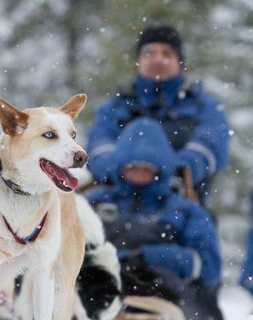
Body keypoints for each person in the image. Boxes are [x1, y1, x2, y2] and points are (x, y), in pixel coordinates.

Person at [86, 117, 223, 319]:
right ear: (120, 167)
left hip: (166, 297)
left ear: (161, 170)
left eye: (147, 169)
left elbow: (209, 268)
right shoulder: (93, 204)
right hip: (98, 293)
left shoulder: (185, 211)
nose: (139, 174)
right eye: (132, 167)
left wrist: (148, 257)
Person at [87, 25, 230, 206]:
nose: (158, 59)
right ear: (138, 61)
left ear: (179, 62)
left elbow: (212, 144)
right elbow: (98, 142)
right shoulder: (114, 107)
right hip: (114, 213)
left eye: (167, 53)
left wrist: (178, 170)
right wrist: (114, 170)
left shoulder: (204, 106)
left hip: (182, 213)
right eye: (149, 52)